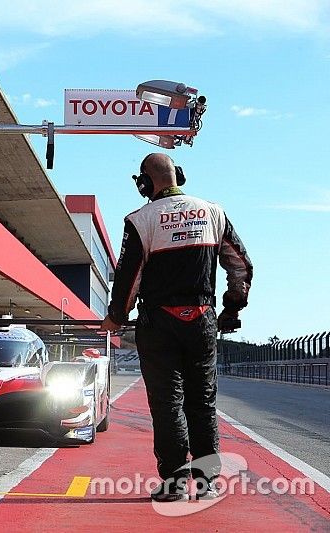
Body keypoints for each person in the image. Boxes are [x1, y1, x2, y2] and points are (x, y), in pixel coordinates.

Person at [101, 153, 253, 502]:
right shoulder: (214, 212)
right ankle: (207, 483)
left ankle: (172, 484)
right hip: (201, 319)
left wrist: (116, 318)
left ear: (146, 183)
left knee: (168, 405)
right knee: (202, 402)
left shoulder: (141, 219)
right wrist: (231, 308)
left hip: (158, 324)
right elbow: (241, 266)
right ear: (178, 176)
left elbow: (129, 278)